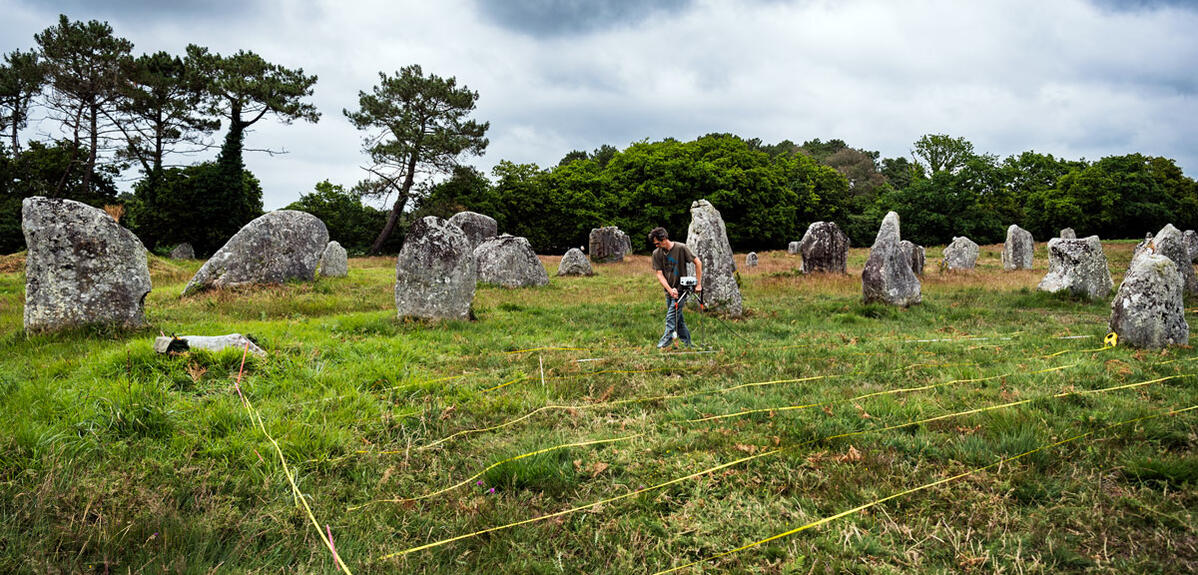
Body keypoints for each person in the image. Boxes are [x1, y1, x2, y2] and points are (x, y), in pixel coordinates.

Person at [649, 227, 702, 350]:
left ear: (664, 239)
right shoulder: (656, 254)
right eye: (655, 244)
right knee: (678, 320)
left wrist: (698, 284)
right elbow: (659, 274)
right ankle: (688, 344)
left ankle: (663, 344)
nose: (656, 246)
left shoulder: (681, 248)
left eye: (658, 243)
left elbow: (698, 263)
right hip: (669, 291)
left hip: (682, 290)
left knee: (671, 317)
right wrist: (669, 290)